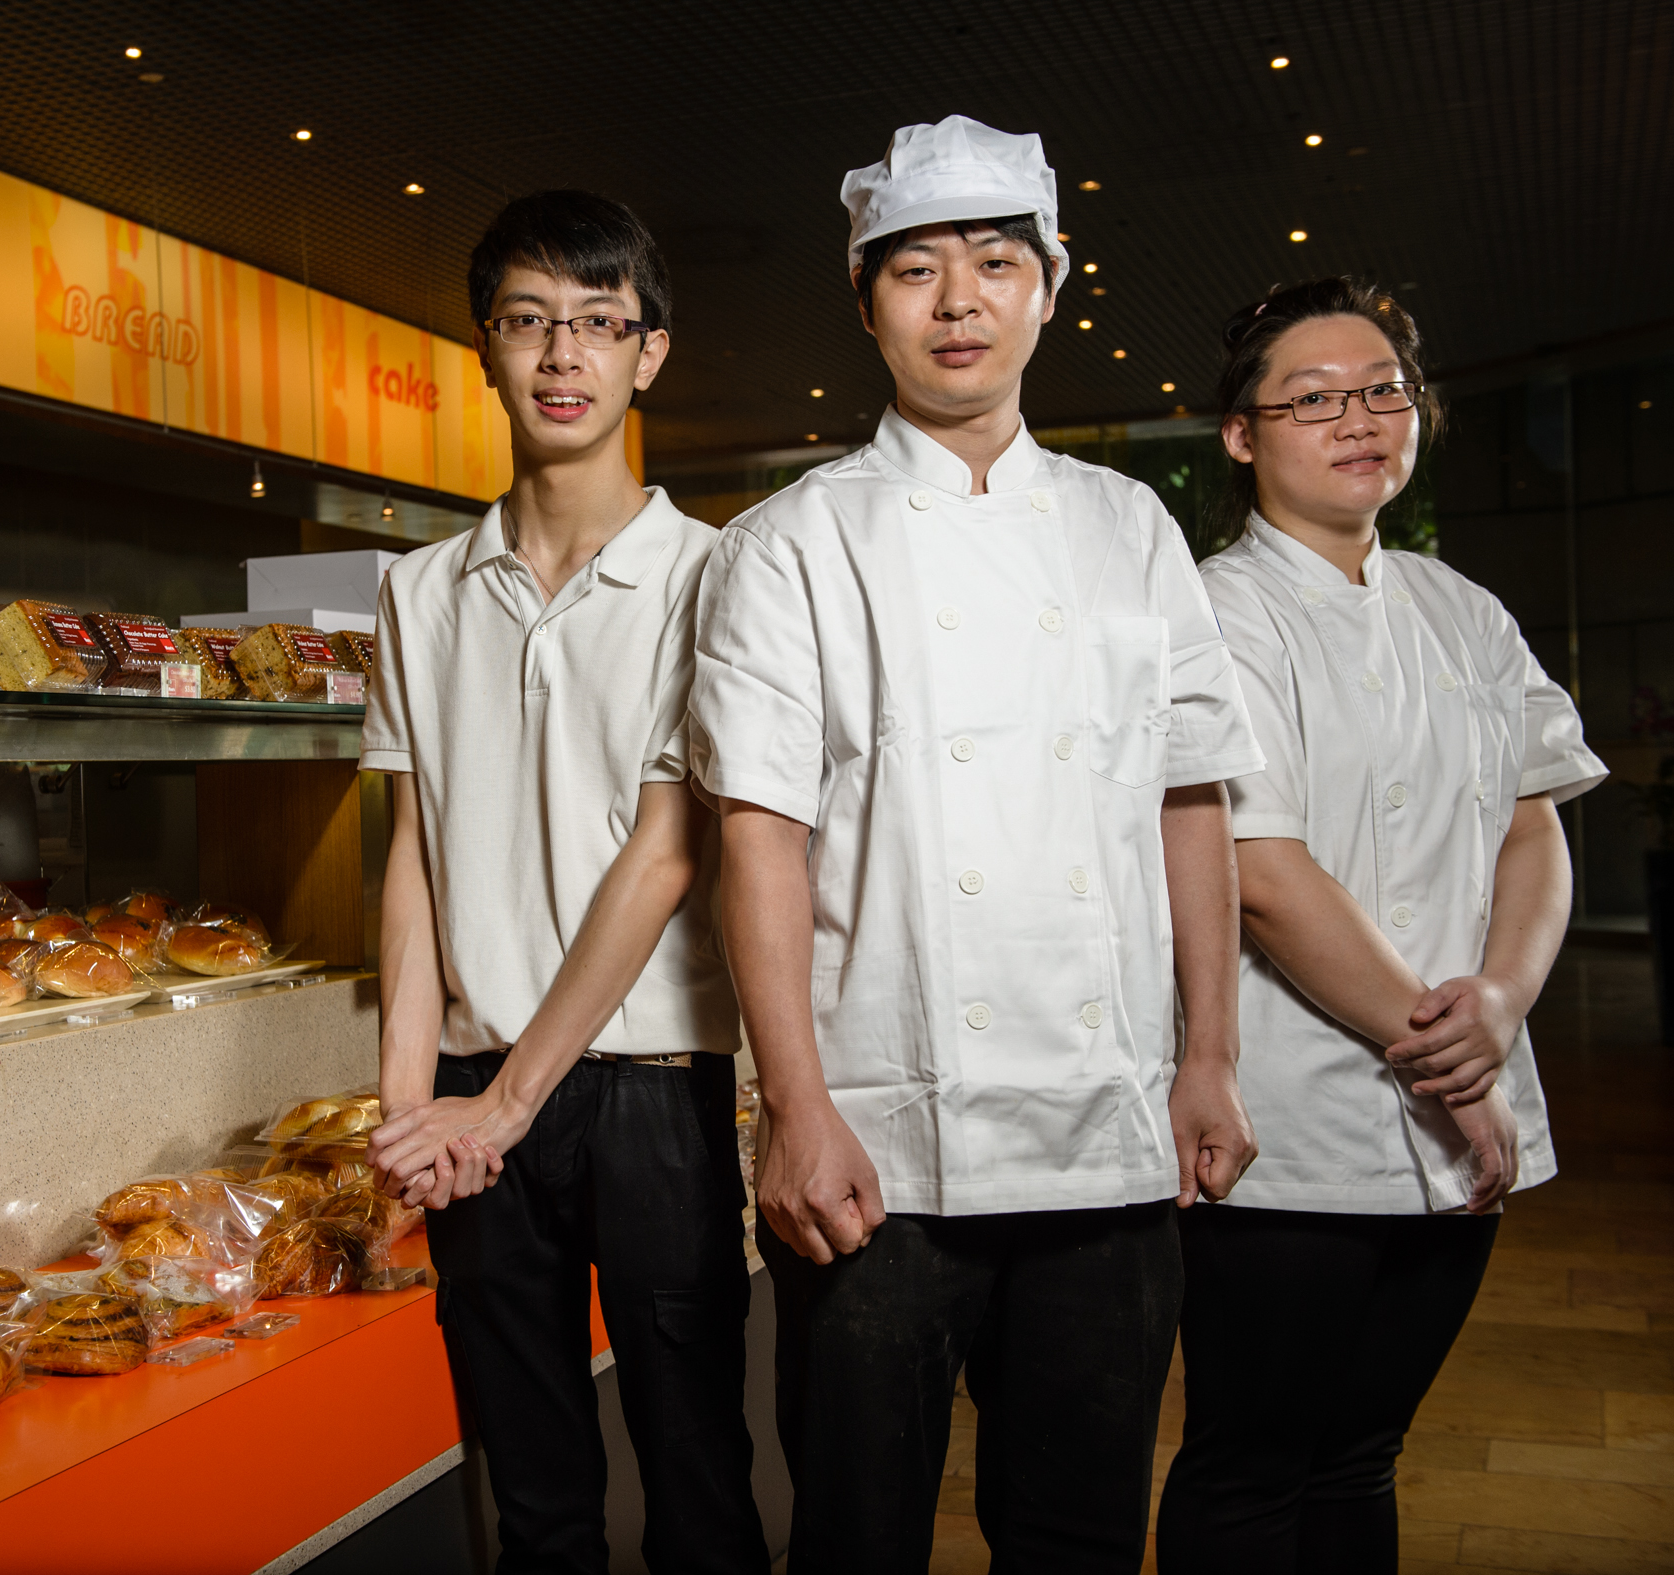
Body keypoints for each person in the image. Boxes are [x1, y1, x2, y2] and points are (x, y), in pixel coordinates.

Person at [688, 115, 1267, 1573]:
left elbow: (1187, 804)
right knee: (855, 1539)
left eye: (997, 264)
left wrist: (1209, 1057)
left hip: (1109, 1133)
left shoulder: (1131, 530)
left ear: (1050, 286)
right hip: (877, 1147)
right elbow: (758, 837)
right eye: (919, 272)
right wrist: (792, 1110)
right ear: (867, 300)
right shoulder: (791, 544)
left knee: (1078, 1536)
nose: (960, 302)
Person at [1153, 279, 1605, 1574]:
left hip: (1469, 1110)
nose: (1357, 419)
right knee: (1251, 1461)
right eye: (1312, 398)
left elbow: (1533, 825)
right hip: (1285, 1127)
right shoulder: (1214, 613)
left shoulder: (1462, 610)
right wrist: (1445, 1056)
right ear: (1241, 435)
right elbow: (1265, 872)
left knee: (1365, 1454)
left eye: (1383, 392)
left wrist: (1506, 1006)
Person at [361, 191, 768, 1575]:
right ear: (484, 345)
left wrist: (507, 1103)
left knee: (698, 1477)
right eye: (531, 322)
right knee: (533, 1499)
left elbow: (669, 851)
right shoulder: (418, 591)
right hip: (473, 1096)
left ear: (648, 354)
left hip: (650, 1084)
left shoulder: (717, 577)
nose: (563, 356)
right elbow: (410, 859)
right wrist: (408, 1105)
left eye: (600, 325)